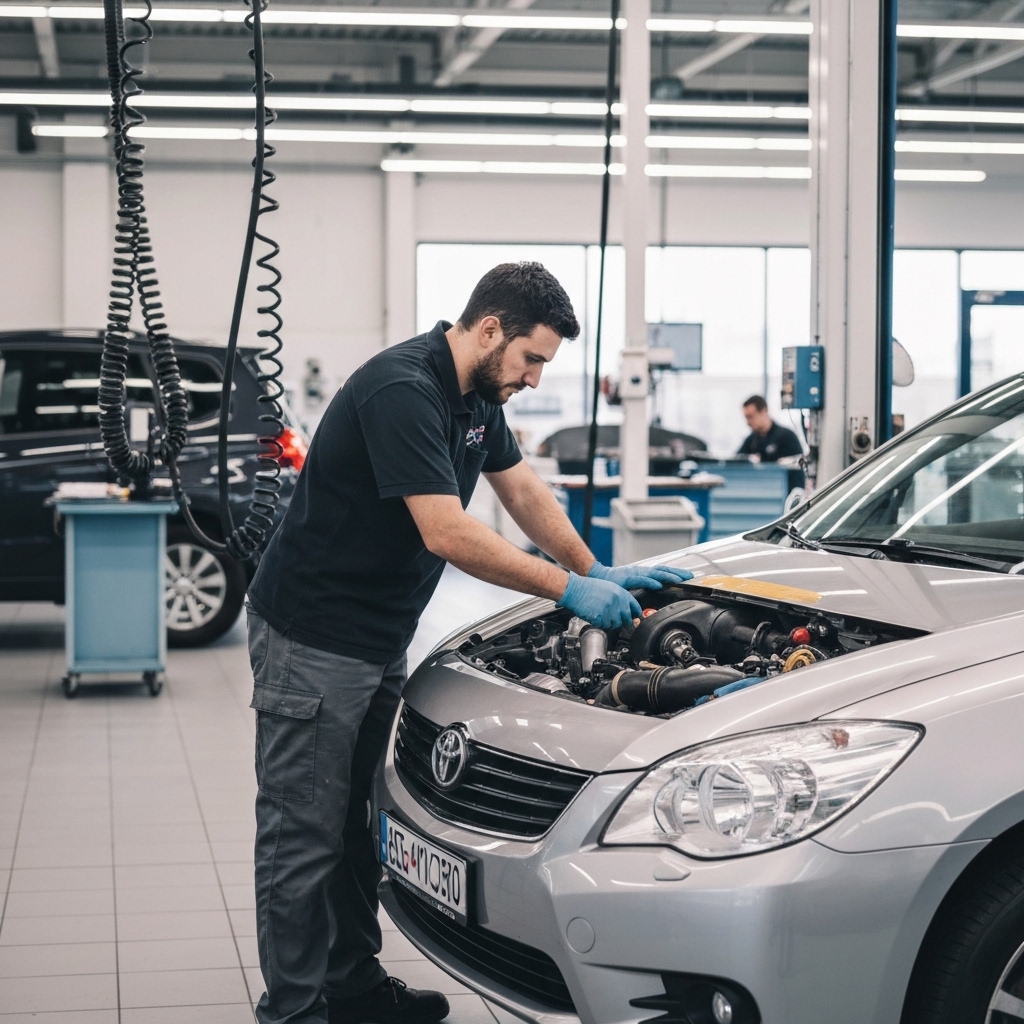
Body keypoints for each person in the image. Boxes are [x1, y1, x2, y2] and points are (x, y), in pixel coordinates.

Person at [245, 262, 693, 1024]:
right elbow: (447, 531)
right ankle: (292, 1013)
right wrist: (564, 590)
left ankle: (351, 989)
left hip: (377, 636)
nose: (534, 377)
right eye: (531, 359)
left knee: (357, 827)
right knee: (302, 837)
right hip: (312, 637)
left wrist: (594, 567)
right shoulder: (405, 391)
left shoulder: (479, 398)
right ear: (490, 330)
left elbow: (521, 490)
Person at [737, 394, 803, 462]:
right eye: (746, 418)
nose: (748, 422)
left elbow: (798, 465)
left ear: (764, 411)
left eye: (751, 417)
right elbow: (736, 462)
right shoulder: (751, 441)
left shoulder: (787, 437)